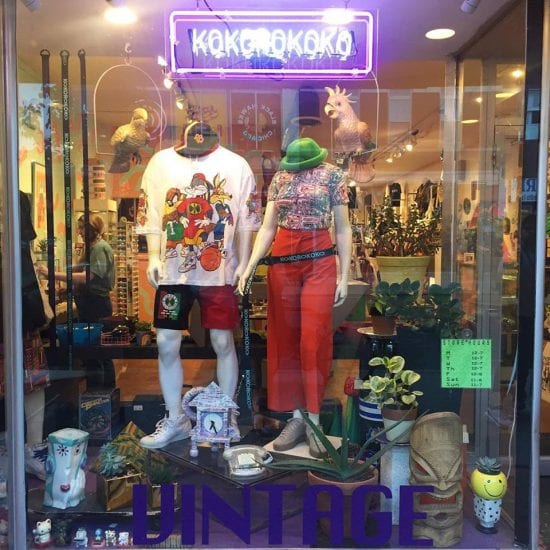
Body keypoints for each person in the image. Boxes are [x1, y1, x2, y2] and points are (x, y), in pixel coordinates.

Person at [136, 121, 260, 449]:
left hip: (218, 272)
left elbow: (246, 220)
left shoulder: (236, 165)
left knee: (222, 341)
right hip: (172, 272)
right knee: (166, 343)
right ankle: (175, 418)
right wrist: (153, 256)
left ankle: (226, 417)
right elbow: (151, 213)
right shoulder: (160, 163)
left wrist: (244, 262)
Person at [238, 137, 352, 458]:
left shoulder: (333, 175)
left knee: (312, 339)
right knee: (285, 341)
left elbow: (343, 227)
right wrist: (250, 266)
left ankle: (313, 419)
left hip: (319, 259)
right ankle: (297, 417)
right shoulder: (280, 177)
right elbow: (268, 227)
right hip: (283, 261)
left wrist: (344, 273)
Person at [37, 214, 115, 388]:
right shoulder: (92, 247)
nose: (79, 232)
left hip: (96, 305)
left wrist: (53, 274)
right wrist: (67, 289)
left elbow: (88, 277)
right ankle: (101, 395)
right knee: (96, 354)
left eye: (81, 228)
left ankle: (100, 395)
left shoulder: (99, 248)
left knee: (97, 353)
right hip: (91, 304)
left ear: (91, 229)